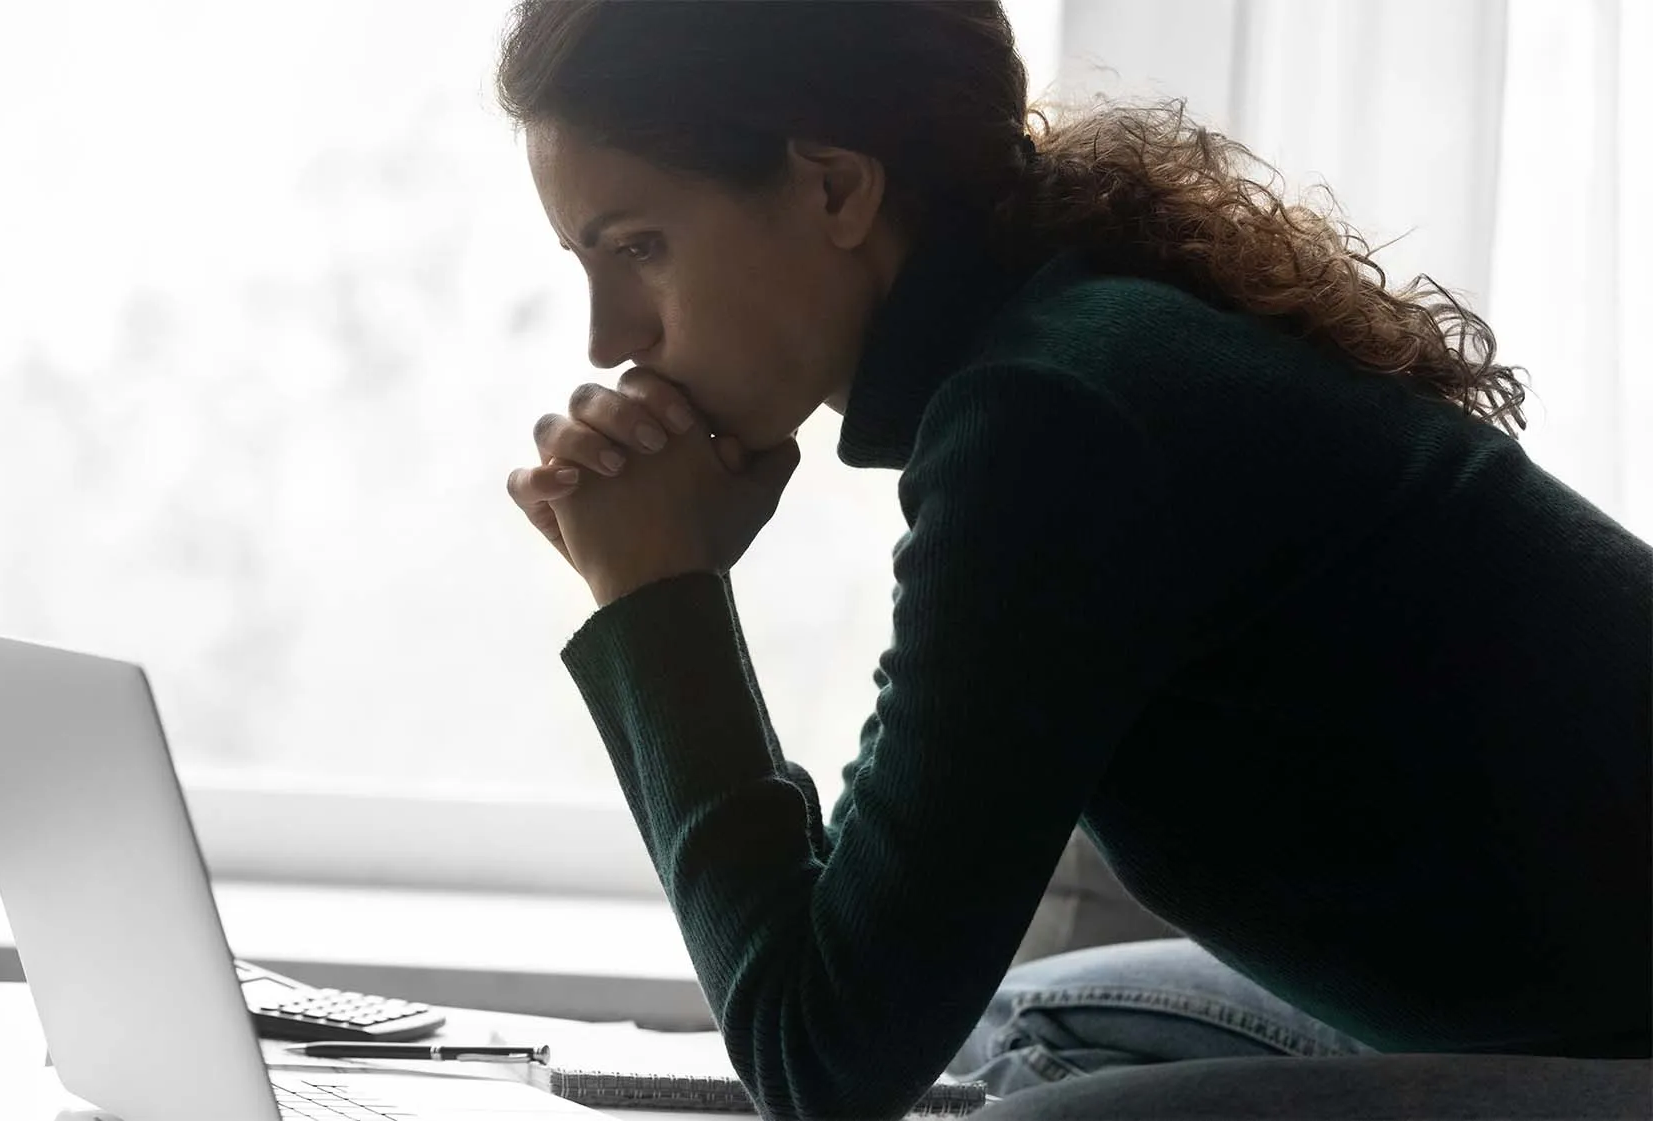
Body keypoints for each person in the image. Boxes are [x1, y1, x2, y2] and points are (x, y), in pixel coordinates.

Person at [492, 2, 1653, 1119]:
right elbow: (863, 977)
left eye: (638, 247)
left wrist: (658, 597)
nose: (608, 337)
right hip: (1574, 1016)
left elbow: (822, 1060)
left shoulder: (1053, 416)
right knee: (1021, 1027)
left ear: (835, 188)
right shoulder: (1080, 338)